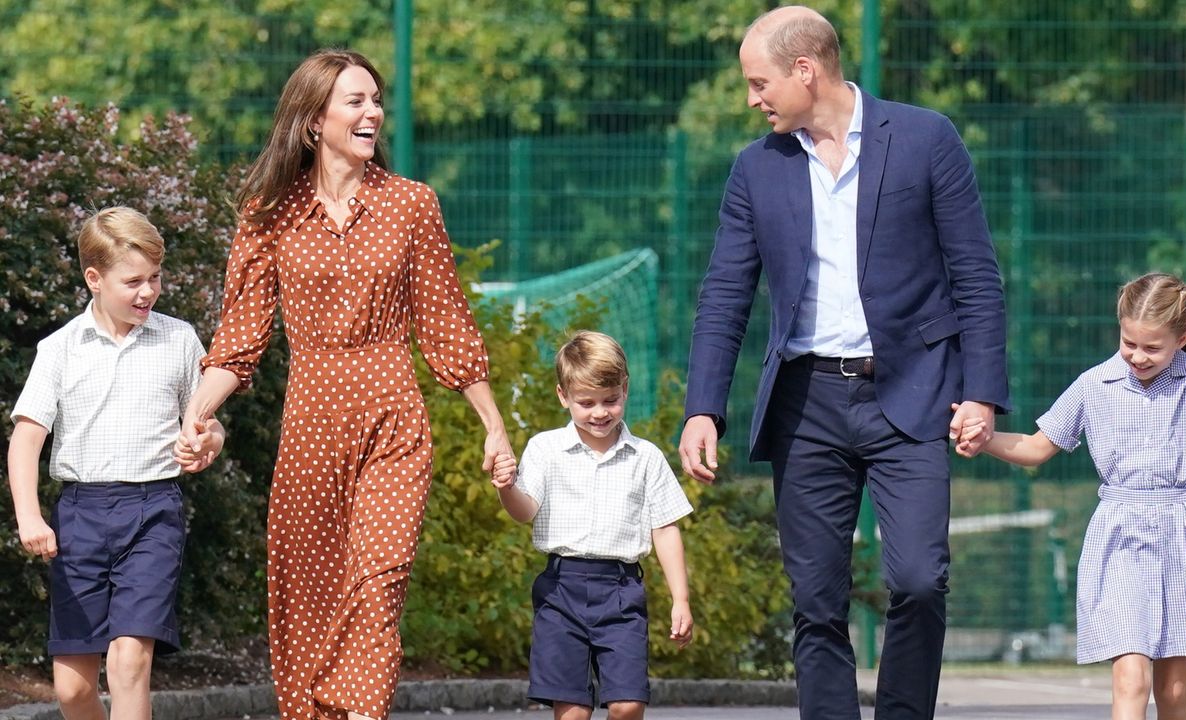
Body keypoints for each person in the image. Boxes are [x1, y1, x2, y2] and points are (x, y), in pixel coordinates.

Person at [678, 6, 1008, 719]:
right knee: (816, 600)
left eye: (758, 81)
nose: (751, 99)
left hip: (914, 396)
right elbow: (726, 293)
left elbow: (976, 275)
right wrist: (704, 406)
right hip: (806, 404)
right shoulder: (755, 170)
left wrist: (981, 393)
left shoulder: (926, 140)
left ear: (807, 70)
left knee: (920, 580)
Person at [178, 50, 513, 720]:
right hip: (310, 425)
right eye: (355, 101)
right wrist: (197, 415)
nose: (373, 113)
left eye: (376, 100)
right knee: (310, 593)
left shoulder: (411, 205)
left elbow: (445, 320)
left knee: (378, 584)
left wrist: (494, 423)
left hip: (393, 417)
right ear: (313, 120)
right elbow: (241, 336)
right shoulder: (269, 213)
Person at [970, 273, 1186, 720]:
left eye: (1153, 347)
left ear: (1182, 338)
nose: (1138, 356)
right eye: (1130, 342)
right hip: (1120, 538)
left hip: (1180, 535)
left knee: (1173, 689)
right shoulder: (1094, 384)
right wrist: (983, 437)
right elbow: (1036, 447)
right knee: (1131, 677)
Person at [7, 206, 225, 720]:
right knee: (72, 690)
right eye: (133, 281)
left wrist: (208, 442)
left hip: (154, 514)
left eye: (154, 278)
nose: (147, 292)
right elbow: (25, 438)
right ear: (94, 279)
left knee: (129, 662)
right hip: (79, 517)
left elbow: (209, 422)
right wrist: (29, 516)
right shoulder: (59, 349)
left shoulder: (178, 339)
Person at [490, 330, 693, 720]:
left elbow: (665, 528)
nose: (599, 412)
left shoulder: (645, 457)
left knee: (628, 704)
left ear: (625, 390)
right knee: (574, 712)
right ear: (563, 396)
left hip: (621, 590)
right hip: (561, 589)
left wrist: (680, 599)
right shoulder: (545, 449)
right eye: (586, 403)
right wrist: (505, 488)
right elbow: (525, 510)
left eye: (610, 400)